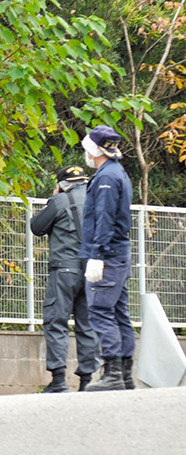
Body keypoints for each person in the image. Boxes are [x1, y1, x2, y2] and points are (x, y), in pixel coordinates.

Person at [31, 165, 100, 392]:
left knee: (56, 322)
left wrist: (54, 198)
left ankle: (59, 380)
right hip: (92, 271)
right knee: (88, 325)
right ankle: (87, 381)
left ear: (61, 185)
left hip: (64, 272)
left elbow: (37, 227)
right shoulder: (97, 200)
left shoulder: (59, 201)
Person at [79, 126, 135, 391]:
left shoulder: (106, 178)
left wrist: (97, 255)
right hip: (119, 254)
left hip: (108, 255)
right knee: (119, 312)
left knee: (101, 311)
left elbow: (104, 218)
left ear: (93, 150)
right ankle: (124, 374)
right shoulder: (116, 173)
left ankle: (112, 373)